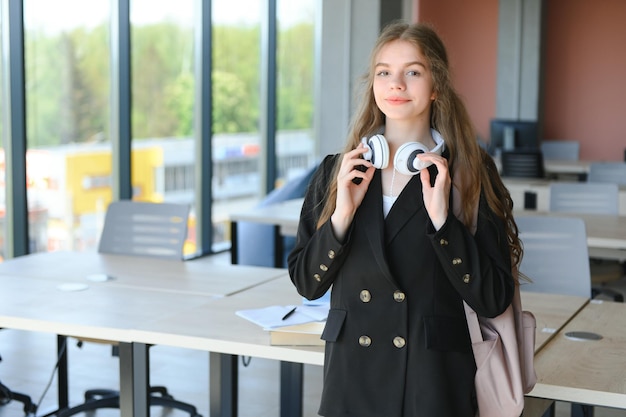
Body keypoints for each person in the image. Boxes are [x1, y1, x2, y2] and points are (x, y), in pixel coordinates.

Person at [287, 20, 523, 417]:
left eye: (412, 72)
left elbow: (494, 297)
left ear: (436, 87)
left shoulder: (469, 172)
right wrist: (342, 216)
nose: (396, 84)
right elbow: (307, 284)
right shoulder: (336, 170)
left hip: (431, 382)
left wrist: (443, 223)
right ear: (374, 85)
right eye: (384, 73)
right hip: (352, 379)